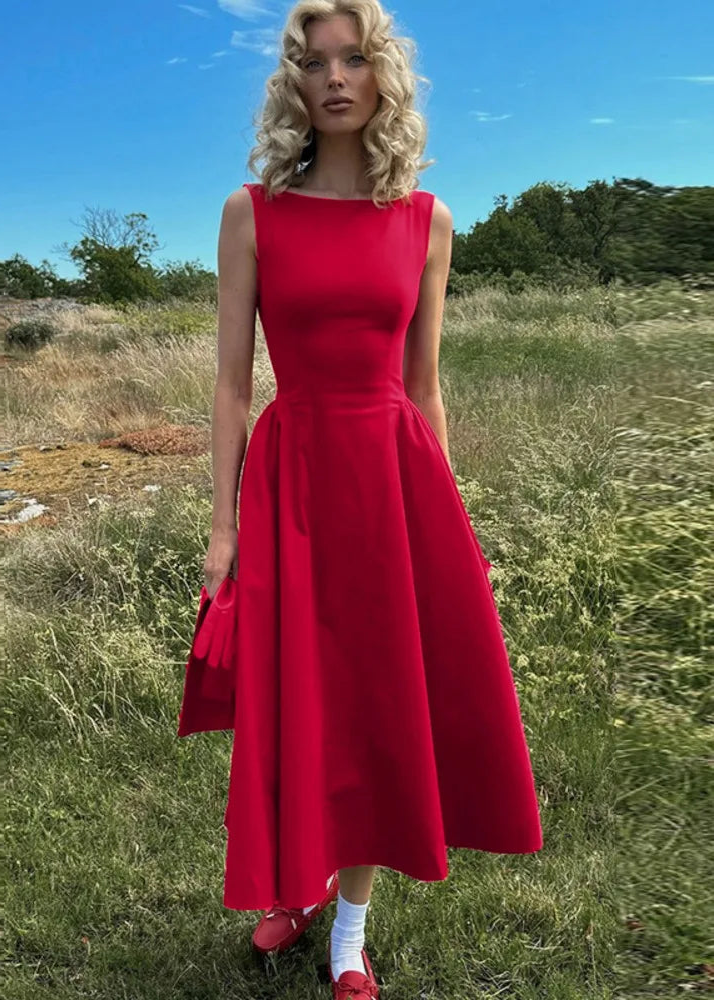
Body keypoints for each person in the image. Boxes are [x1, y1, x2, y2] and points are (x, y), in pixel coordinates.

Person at [182, 2, 543, 997]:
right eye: (312, 62)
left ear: (383, 74)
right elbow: (227, 382)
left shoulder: (428, 221)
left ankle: (348, 925)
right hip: (291, 474)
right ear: (293, 84)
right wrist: (222, 529)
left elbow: (424, 385)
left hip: (390, 482)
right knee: (295, 690)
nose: (333, 78)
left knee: (376, 699)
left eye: (352, 59)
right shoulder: (251, 212)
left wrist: (451, 519)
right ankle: (291, 888)